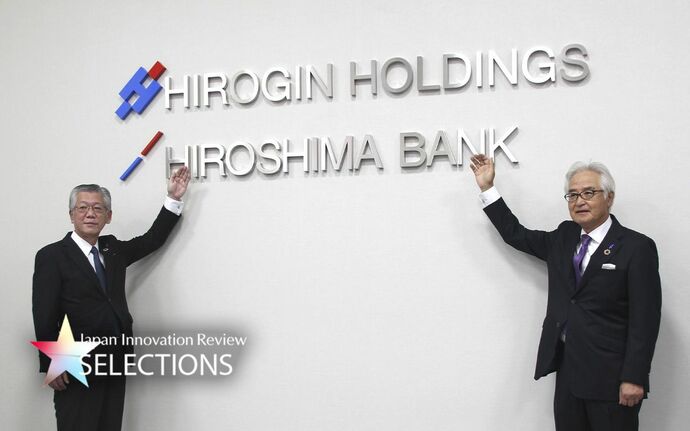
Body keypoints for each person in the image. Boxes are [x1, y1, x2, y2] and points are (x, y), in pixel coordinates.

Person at [469, 155, 661, 431]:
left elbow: (645, 320)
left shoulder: (636, 247)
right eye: (572, 195)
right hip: (568, 371)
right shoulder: (564, 237)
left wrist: (634, 376)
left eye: (588, 193)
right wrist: (488, 188)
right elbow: (515, 234)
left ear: (609, 197)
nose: (579, 201)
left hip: (612, 378)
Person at [32, 167, 191, 431]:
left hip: (114, 359)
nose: (90, 214)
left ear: (108, 216)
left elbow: (151, 240)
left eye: (98, 208)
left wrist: (173, 198)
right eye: (83, 208)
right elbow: (43, 313)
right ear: (71, 215)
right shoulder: (52, 256)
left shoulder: (113, 249)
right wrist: (51, 362)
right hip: (75, 364)